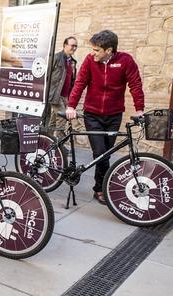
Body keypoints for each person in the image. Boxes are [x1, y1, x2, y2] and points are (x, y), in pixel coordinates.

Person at [66, 30, 144, 205]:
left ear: (108, 50)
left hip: (114, 115)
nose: (93, 53)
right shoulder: (89, 61)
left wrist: (140, 110)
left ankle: (102, 186)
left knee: (106, 154)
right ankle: (100, 189)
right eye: (93, 49)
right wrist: (71, 106)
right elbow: (79, 83)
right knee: (100, 153)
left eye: (97, 50)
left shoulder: (125, 61)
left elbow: (135, 84)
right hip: (92, 115)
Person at [47, 37, 77, 138]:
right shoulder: (56, 57)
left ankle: (46, 140)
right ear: (65, 45)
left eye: (76, 46)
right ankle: (60, 145)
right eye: (72, 45)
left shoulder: (73, 62)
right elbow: (47, 75)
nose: (74, 48)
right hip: (55, 94)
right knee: (62, 117)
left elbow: (71, 80)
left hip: (65, 96)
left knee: (54, 119)